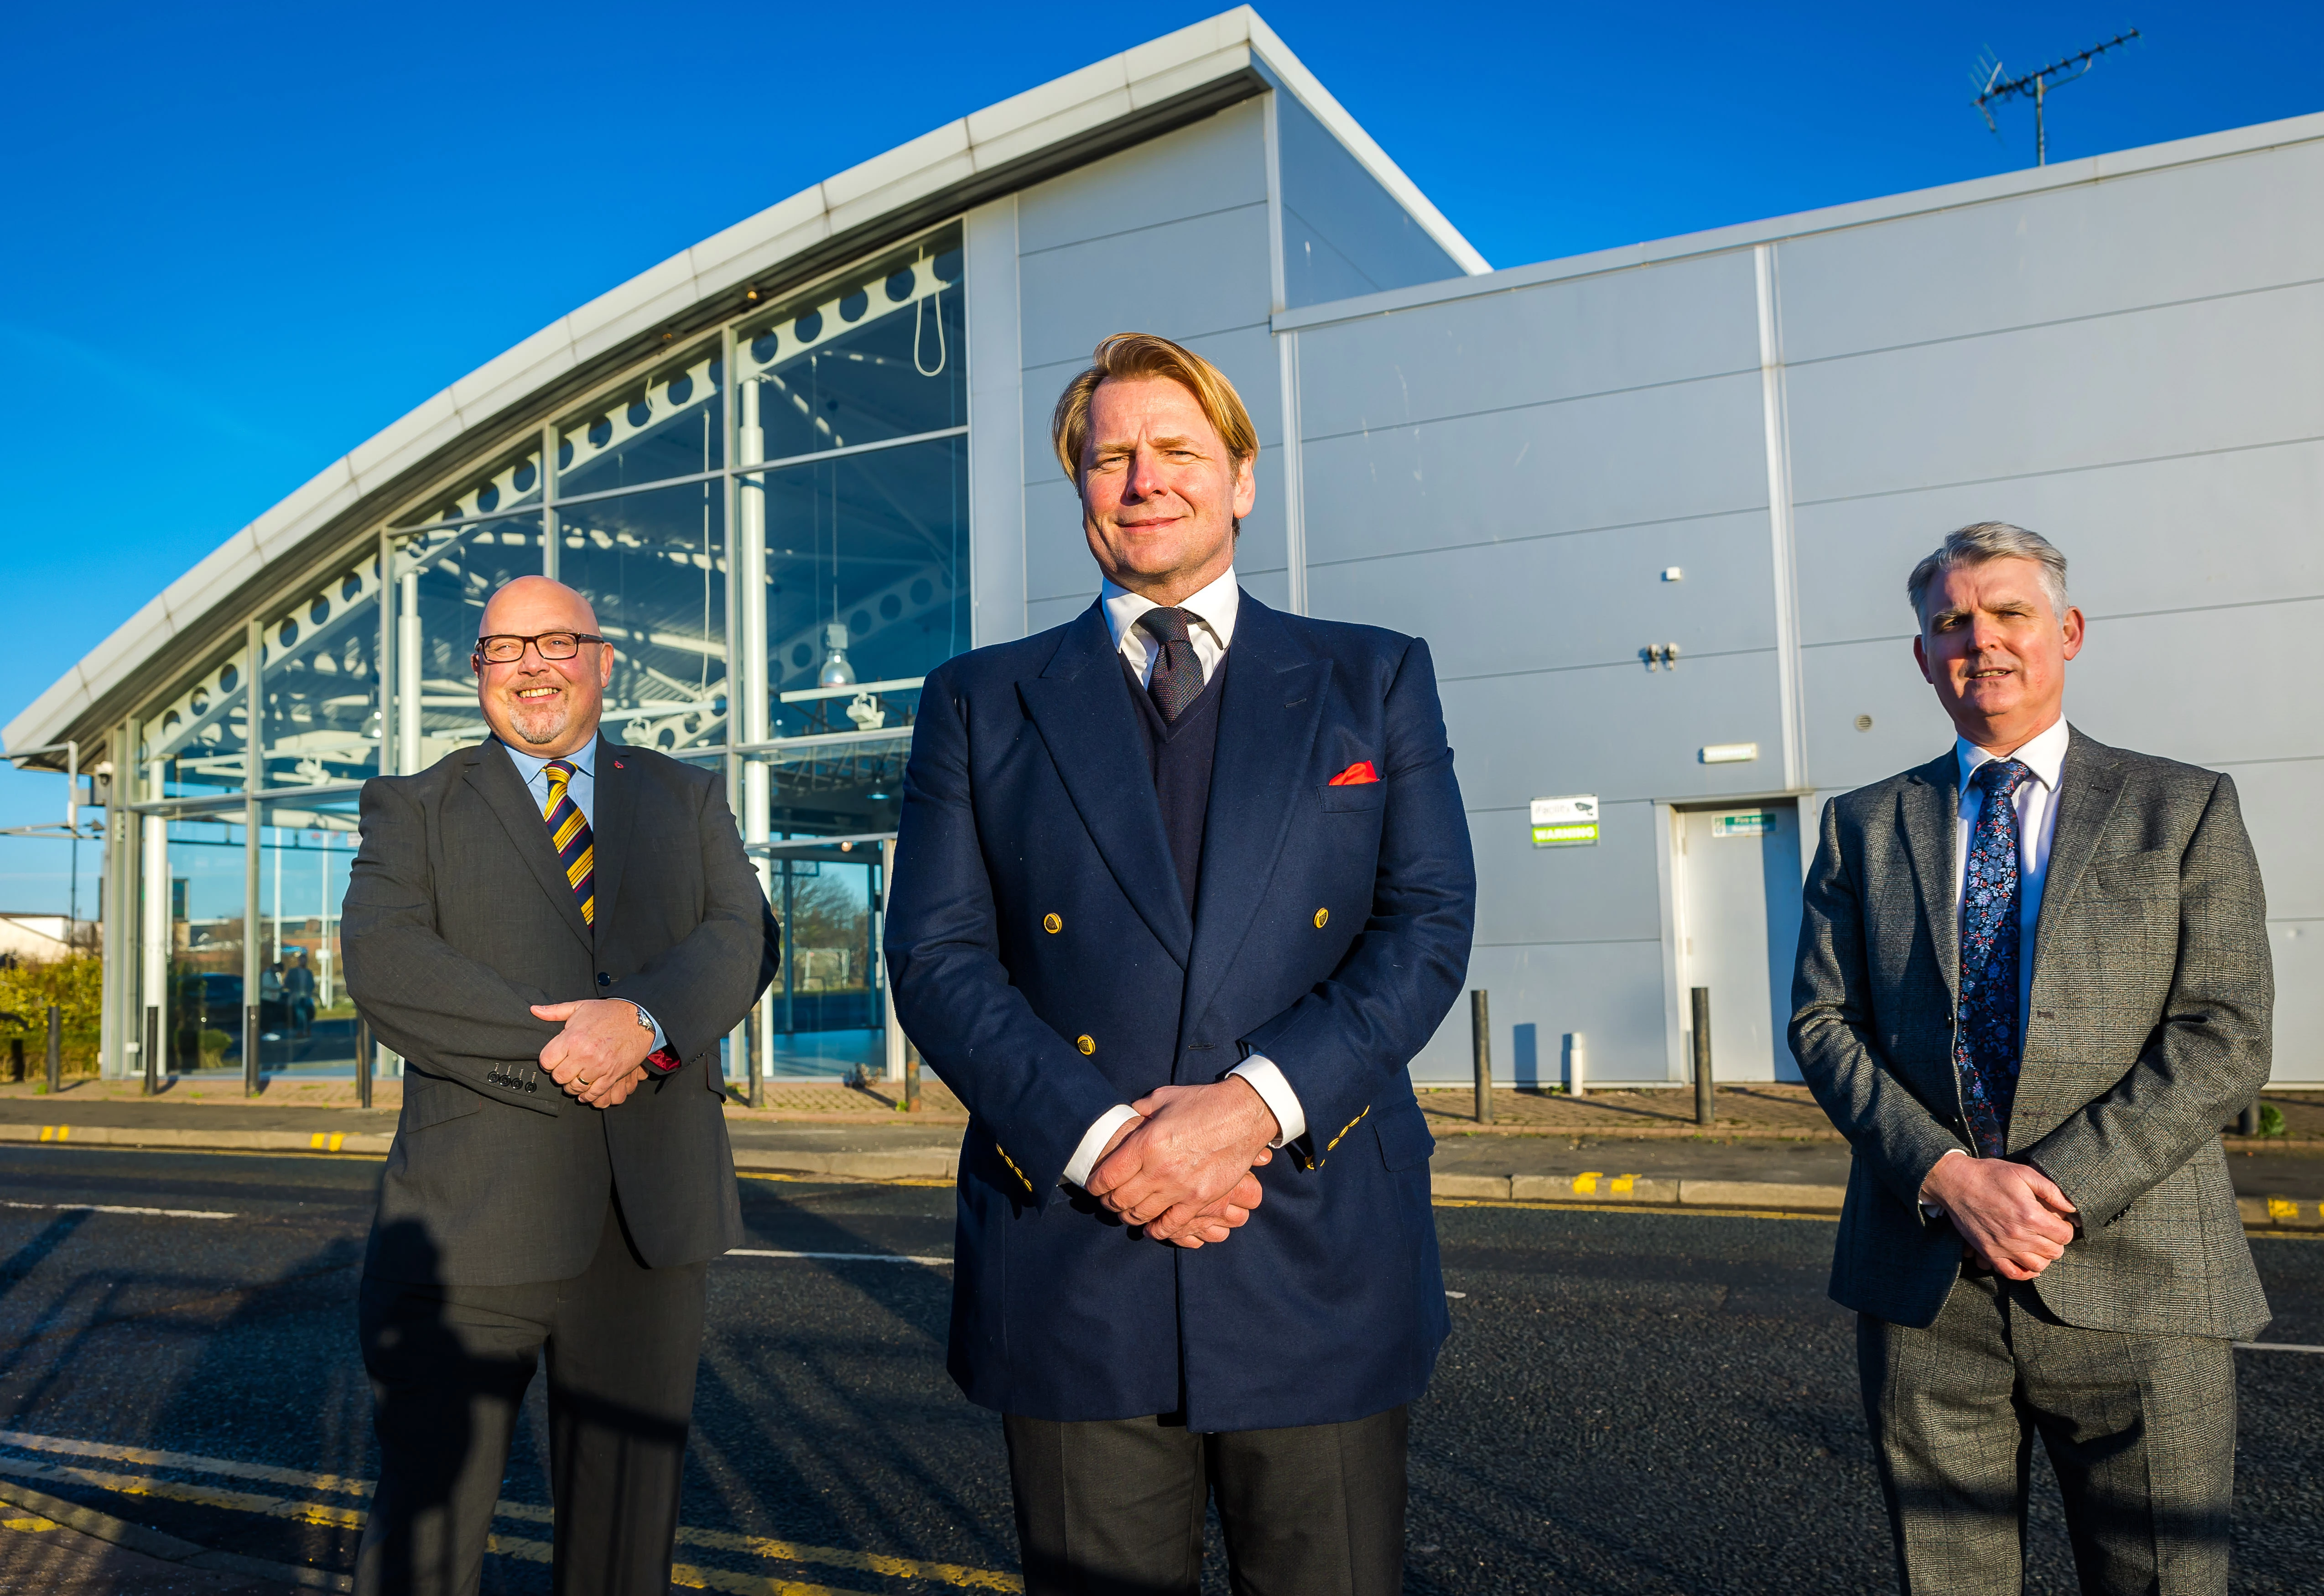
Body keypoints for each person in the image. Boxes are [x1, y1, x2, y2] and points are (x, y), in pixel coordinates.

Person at [885, 333, 1477, 1596]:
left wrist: (1249, 1106)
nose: (1145, 478)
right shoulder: (980, 699)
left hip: (1311, 1233)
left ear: (1242, 477)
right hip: (1076, 1244)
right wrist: (1113, 1143)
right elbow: (936, 957)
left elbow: (1425, 923)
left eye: (1177, 451)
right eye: (1111, 458)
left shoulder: (1372, 676)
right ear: (1082, 489)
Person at [1791, 522, 2272, 1596]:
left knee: (2163, 1578)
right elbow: (1824, 1023)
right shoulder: (1863, 825)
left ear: (2068, 631)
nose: (1982, 640)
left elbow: (2224, 1029)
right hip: (1925, 1281)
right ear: (1922, 655)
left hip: (2140, 1273)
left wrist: (2052, 1186)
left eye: (2008, 612)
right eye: (1951, 620)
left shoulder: (2181, 807)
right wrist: (1949, 1174)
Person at [341, 574, 776, 1596]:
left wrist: (648, 1024)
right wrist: (578, 1046)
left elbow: (742, 937)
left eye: (557, 642)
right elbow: (386, 962)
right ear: (479, 671)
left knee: (627, 1549)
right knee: (425, 1537)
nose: (533, 665)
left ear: (602, 659)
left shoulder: (685, 794)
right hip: (471, 1225)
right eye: (505, 648)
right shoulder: (416, 804)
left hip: (649, 1222)